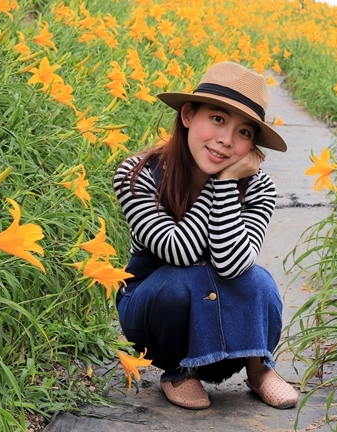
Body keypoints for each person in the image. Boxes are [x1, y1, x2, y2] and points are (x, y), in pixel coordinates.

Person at [113, 62, 298, 411]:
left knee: (258, 281)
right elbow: (176, 250)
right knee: (182, 279)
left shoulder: (259, 188)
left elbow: (234, 265)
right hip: (157, 314)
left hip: (228, 323)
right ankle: (179, 373)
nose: (226, 140)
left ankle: (259, 368)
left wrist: (227, 185)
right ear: (187, 115)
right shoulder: (137, 174)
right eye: (217, 119)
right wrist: (219, 186)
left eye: (244, 133)